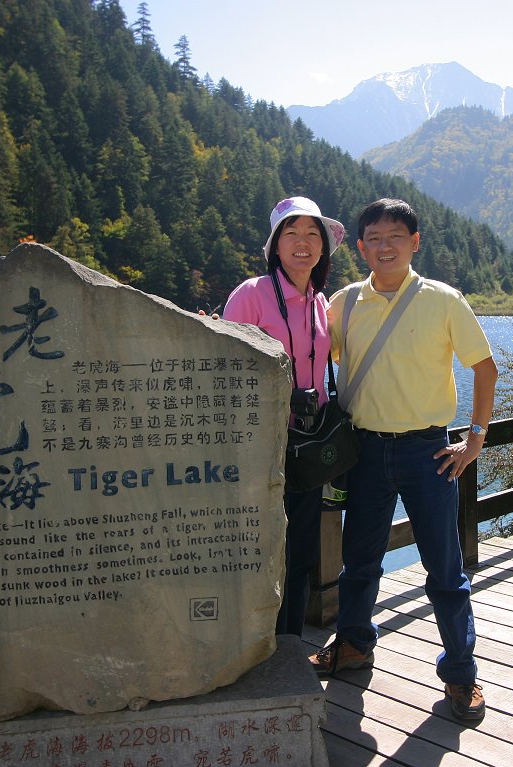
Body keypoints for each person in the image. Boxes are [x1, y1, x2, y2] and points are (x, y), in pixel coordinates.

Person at [310, 198, 498, 722]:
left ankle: (461, 674)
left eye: (396, 236)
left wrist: (476, 438)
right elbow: (304, 352)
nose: (385, 245)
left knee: (445, 569)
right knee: (359, 560)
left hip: (429, 452)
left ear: (415, 242)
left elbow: (485, 370)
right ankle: (353, 644)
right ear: (361, 245)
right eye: (374, 236)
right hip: (364, 451)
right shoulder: (343, 304)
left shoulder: (443, 300)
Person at [222, 196, 346, 637]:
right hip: (262, 450)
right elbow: (228, 366)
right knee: (257, 551)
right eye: (291, 233)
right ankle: (251, 646)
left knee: (300, 554)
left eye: (313, 234)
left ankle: (289, 645)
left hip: (308, 448)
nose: (303, 243)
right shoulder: (252, 294)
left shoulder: (318, 301)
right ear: (275, 245)